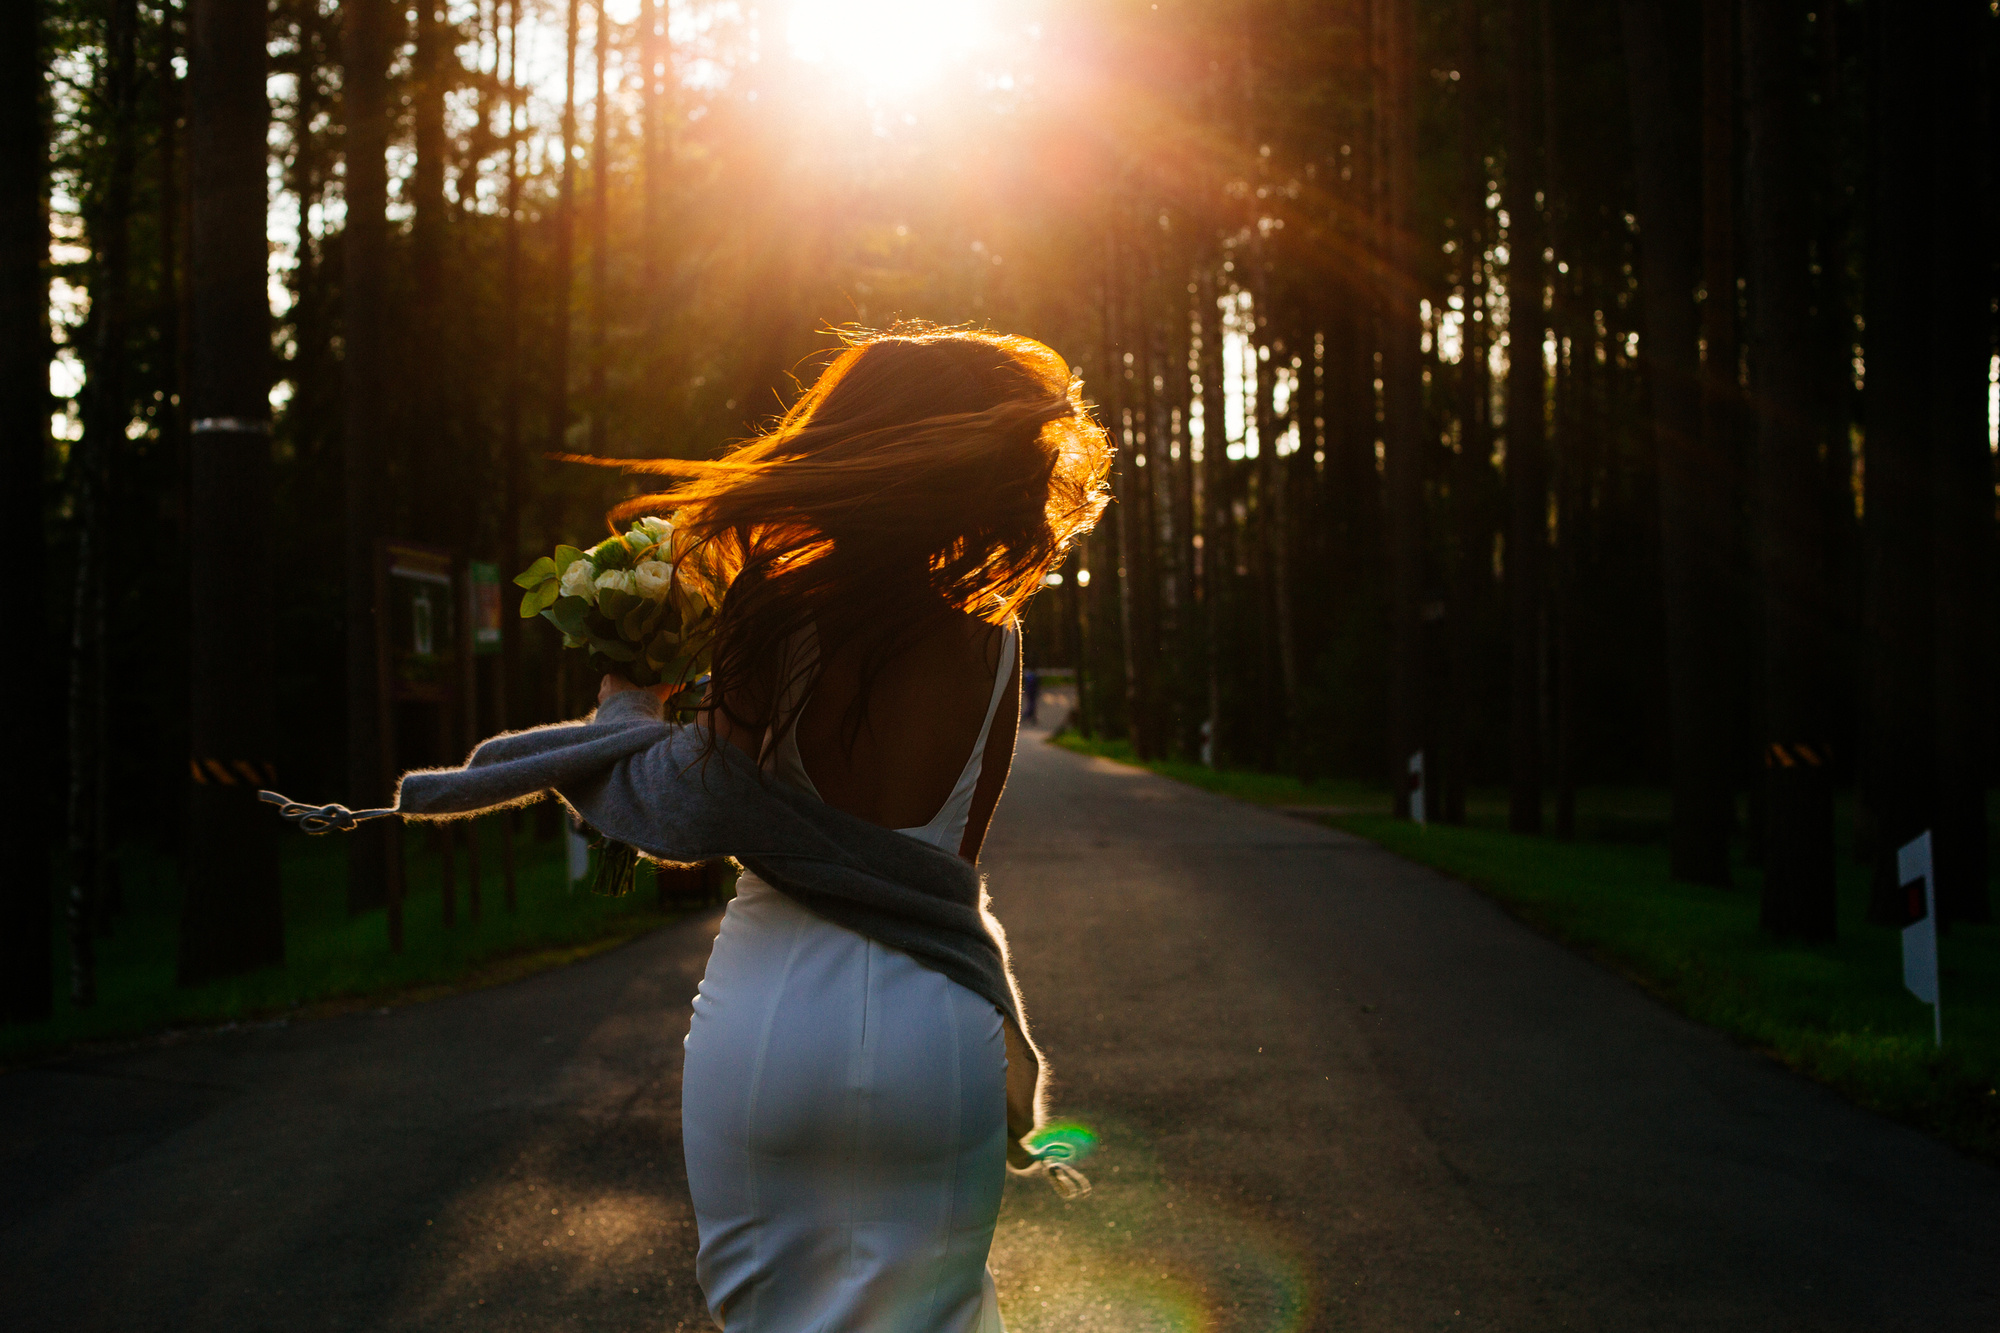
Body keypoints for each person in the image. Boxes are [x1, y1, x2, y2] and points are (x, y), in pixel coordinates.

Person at [594, 325, 1111, 1331]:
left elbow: (685, 815)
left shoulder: (766, 614)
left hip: (770, 1019)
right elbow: (948, 875)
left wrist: (626, 696)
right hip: (934, 1028)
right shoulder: (995, 646)